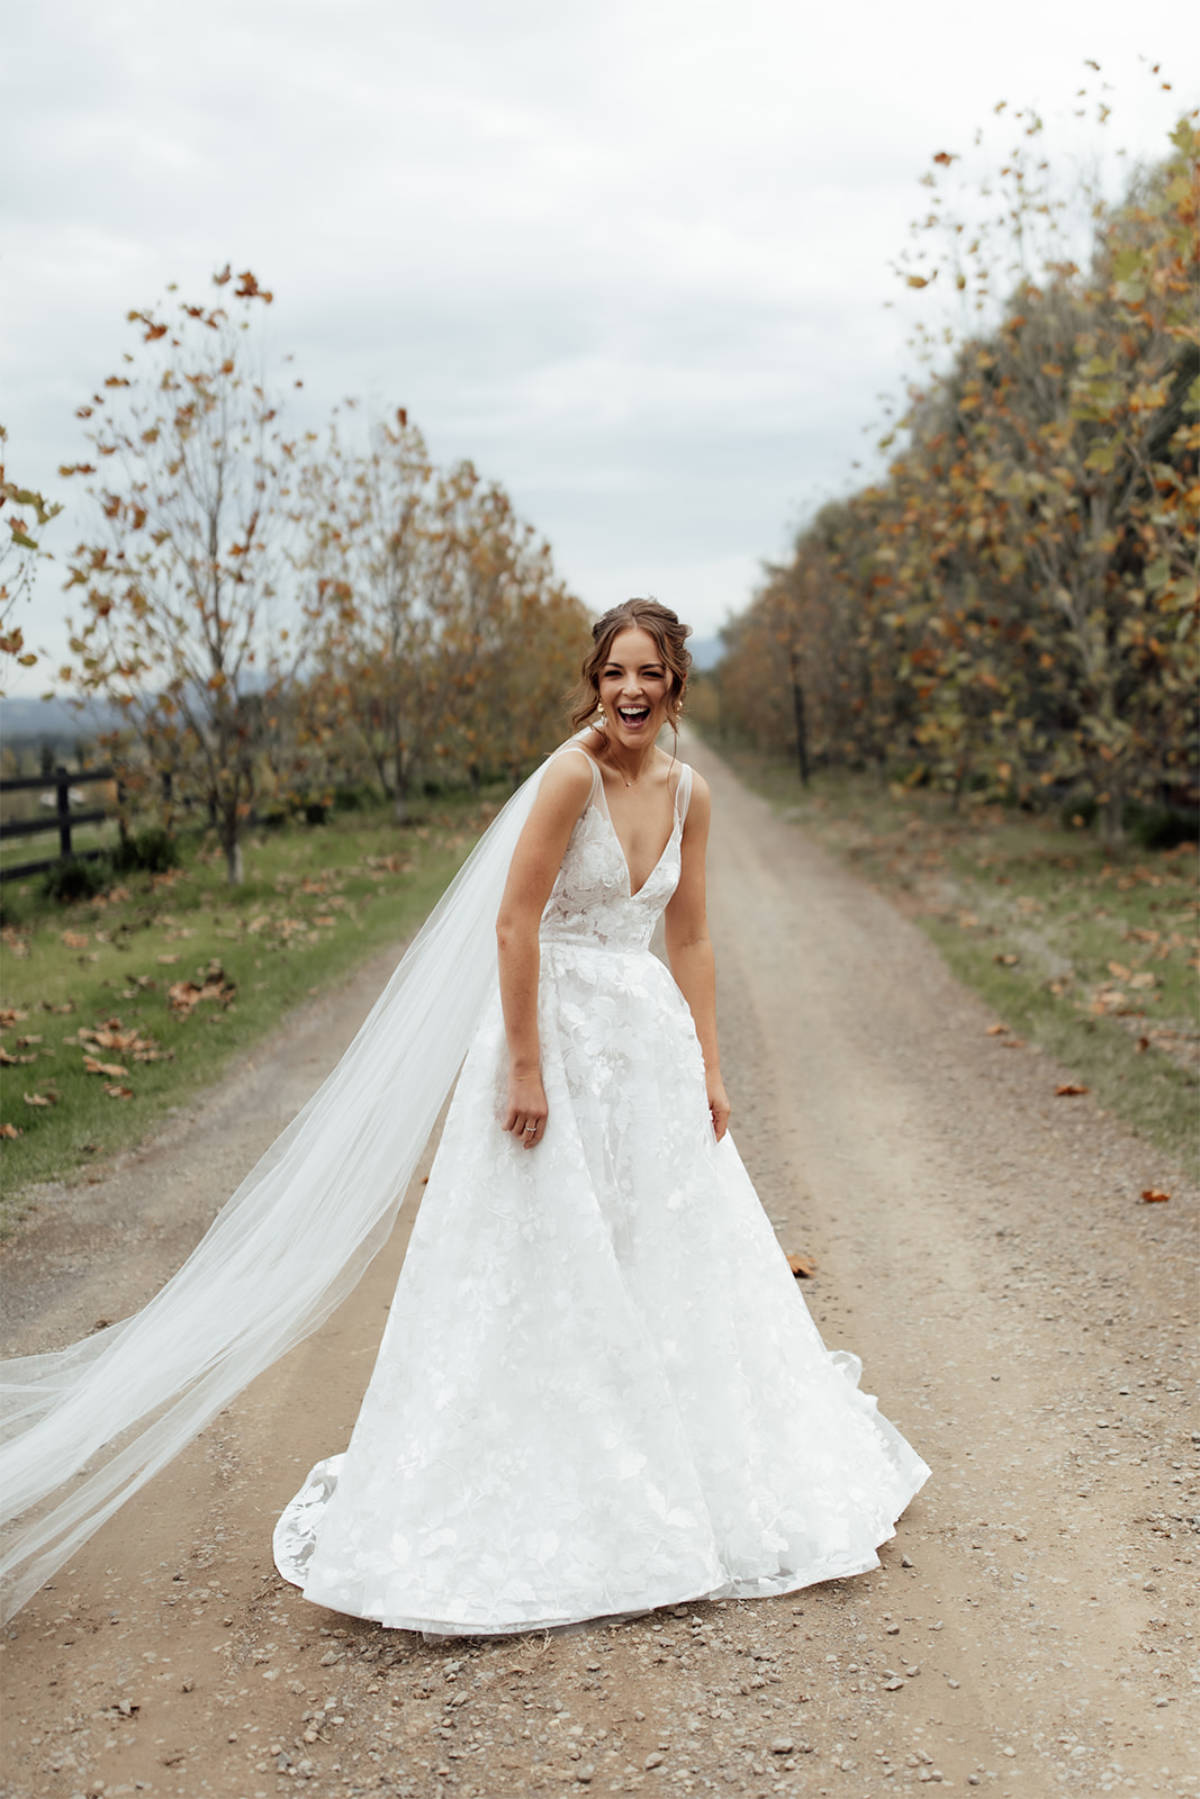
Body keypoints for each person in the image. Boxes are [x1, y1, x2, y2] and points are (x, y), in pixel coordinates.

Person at [270, 598, 930, 1635]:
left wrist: (711, 1064)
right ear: (596, 680)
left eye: (651, 674)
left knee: (656, 1246)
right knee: (541, 1251)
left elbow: (695, 936)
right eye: (616, 672)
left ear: (675, 687)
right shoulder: (568, 776)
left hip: (646, 1047)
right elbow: (513, 920)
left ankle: (669, 1460)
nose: (631, 690)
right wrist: (526, 1065)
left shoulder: (692, 793)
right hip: (554, 1043)